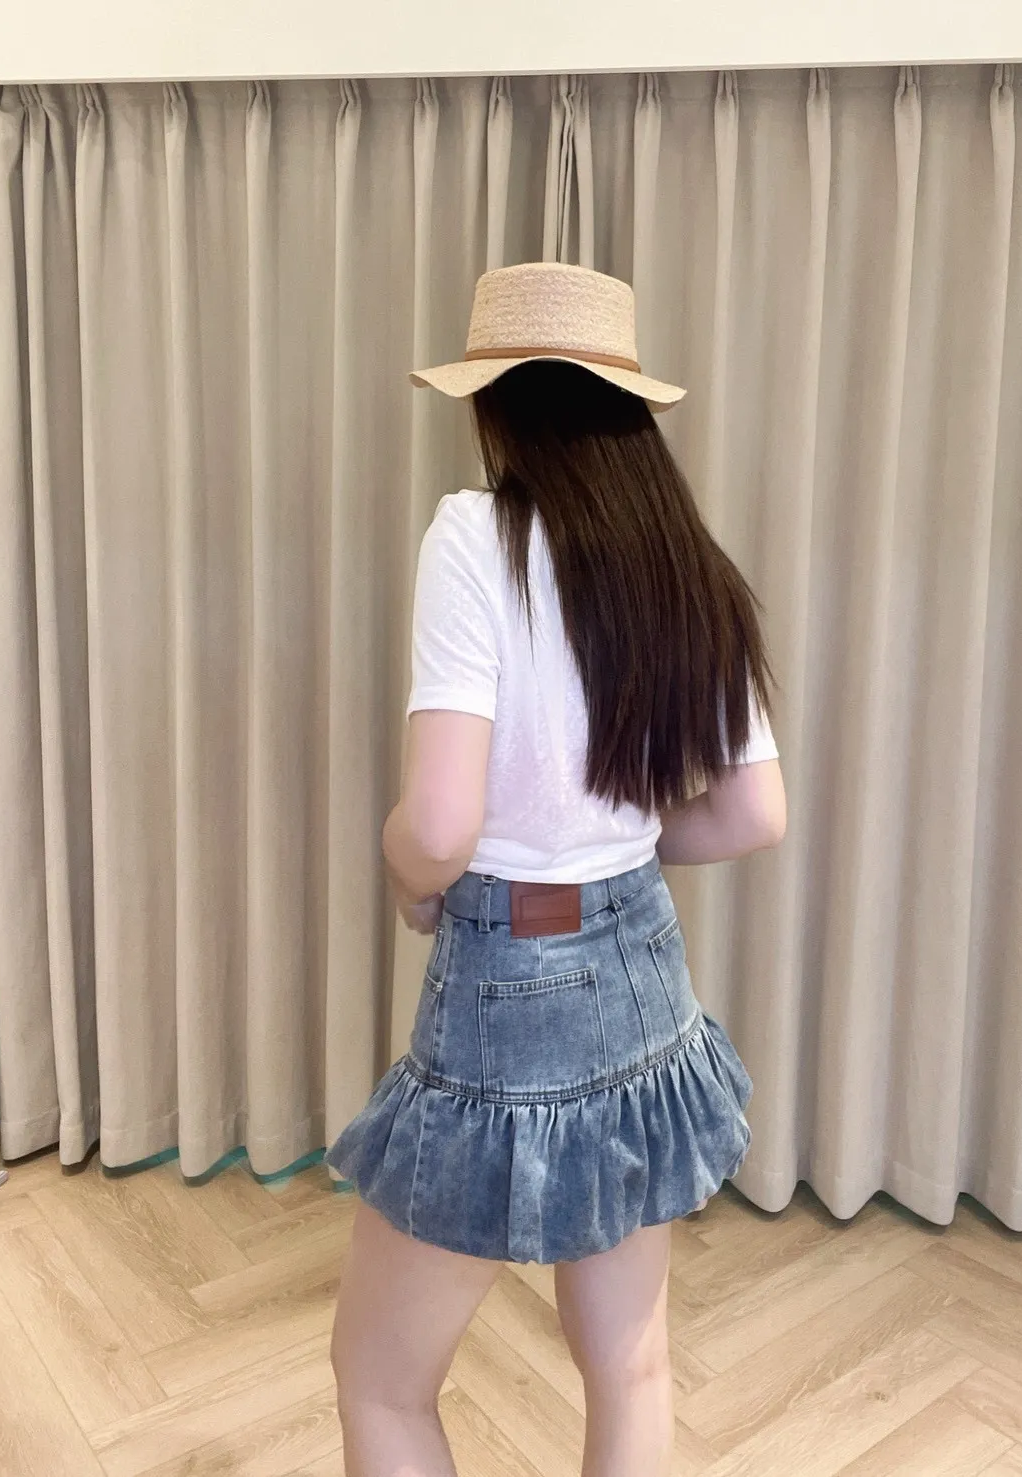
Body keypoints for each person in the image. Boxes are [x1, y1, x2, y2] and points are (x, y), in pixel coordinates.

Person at [326, 261, 787, 1477]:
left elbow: (439, 824)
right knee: (629, 1367)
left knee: (380, 1380)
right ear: (629, 409)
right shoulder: (687, 565)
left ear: (493, 403)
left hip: (507, 981)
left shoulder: (473, 537)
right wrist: (623, 856)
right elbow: (754, 813)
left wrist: (404, 873)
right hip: (645, 975)